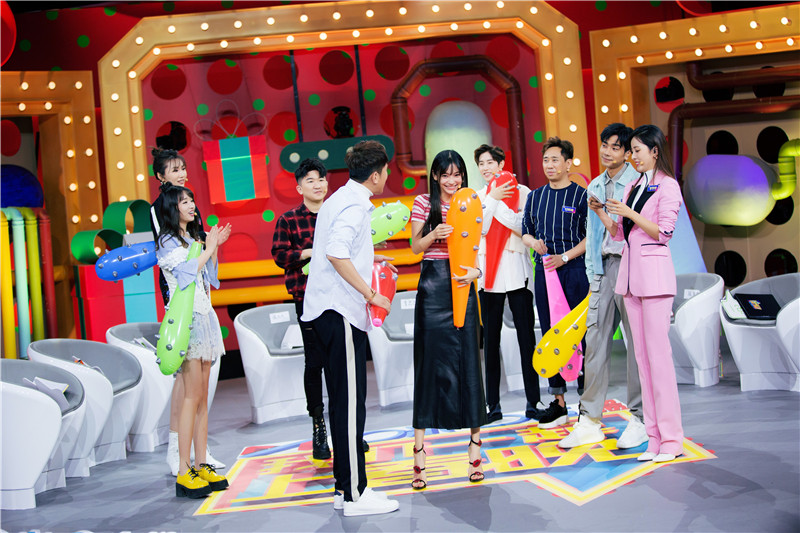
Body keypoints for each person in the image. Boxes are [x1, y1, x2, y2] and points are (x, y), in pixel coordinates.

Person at [301, 140, 399, 516]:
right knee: (349, 405)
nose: (387, 176)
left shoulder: (339, 199)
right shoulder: (354, 206)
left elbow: (342, 250)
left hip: (329, 311)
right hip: (339, 311)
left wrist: (373, 259)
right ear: (375, 175)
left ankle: (346, 488)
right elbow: (336, 253)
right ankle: (356, 494)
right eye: (385, 171)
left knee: (343, 403)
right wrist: (372, 294)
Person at [590, 124, 684, 463]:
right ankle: (654, 439)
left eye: (638, 151)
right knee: (642, 362)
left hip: (655, 281)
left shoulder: (668, 186)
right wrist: (602, 212)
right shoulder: (634, 185)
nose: (633, 157)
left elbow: (664, 232)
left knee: (659, 362)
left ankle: (672, 439)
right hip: (630, 281)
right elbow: (620, 234)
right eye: (631, 151)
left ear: (655, 151)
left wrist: (629, 213)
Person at [272, 158, 370, 460]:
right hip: (308, 300)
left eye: (322, 179)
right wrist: (309, 252)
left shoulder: (337, 212)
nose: (318, 185)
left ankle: (349, 430)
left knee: (344, 366)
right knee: (315, 363)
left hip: (343, 299)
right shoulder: (289, 220)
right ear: (299, 187)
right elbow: (279, 255)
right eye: (310, 180)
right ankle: (318, 425)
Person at [559, 124, 648, 449]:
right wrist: (593, 275)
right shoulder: (595, 184)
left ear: (627, 152)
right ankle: (589, 420)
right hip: (602, 269)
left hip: (631, 267)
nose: (607, 151)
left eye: (615, 147)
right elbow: (592, 234)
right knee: (595, 344)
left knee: (636, 346)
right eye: (604, 145)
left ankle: (639, 418)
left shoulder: (637, 183)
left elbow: (634, 231)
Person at [410, 149, 488, 491]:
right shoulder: (422, 203)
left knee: (469, 363)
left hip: (463, 285)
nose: (452, 180)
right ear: (435, 176)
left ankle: (475, 448)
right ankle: (419, 453)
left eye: (457, 174)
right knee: (428, 366)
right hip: (432, 288)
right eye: (446, 175)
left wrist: (476, 274)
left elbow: (480, 249)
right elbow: (416, 247)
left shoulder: (472, 202)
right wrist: (434, 234)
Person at [148, 148, 224, 475]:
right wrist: (206, 249)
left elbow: (205, 265)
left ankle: (200, 455)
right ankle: (179, 455)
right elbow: (182, 270)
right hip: (181, 305)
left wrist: (210, 247)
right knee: (186, 387)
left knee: (200, 391)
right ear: (160, 176)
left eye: (183, 168)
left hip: (202, 303)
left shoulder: (191, 225)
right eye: (174, 169)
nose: (181, 174)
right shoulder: (161, 215)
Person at [473, 144, 544, 422]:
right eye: (481, 163)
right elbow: (481, 228)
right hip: (488, 278)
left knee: (527, 339)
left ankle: (533, 401)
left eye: (490, 162)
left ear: (501, 164)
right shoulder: (477, 196)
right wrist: (492, 199)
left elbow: (521, 226)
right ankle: (493, 405)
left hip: (517, 272)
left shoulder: (523, 192)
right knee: (491, 342)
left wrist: (497, 203)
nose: (486, 168)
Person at [521, 137, 588, 429]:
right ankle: (558, 402)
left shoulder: (581, 196)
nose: (549, 165)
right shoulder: (535, 197)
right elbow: (525, 231)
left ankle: (587, 402)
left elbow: (591, 237)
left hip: (575, 270)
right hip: (545, 272)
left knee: (580, 334)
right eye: (546, 160)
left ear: (568, 163)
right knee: (551, 333)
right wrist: (533, 243)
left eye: (555, 160)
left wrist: (565, 257)